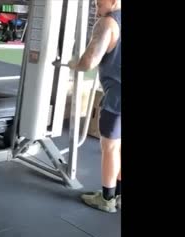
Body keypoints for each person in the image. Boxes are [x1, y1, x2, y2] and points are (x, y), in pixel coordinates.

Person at [68, 0, 121, 213]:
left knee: (109, 147)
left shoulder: (107, 23)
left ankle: (107, 199)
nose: (96, 8)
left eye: (99, 4)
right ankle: (118, 195)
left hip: (117, 98)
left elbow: (89, 61)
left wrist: (72, 63)